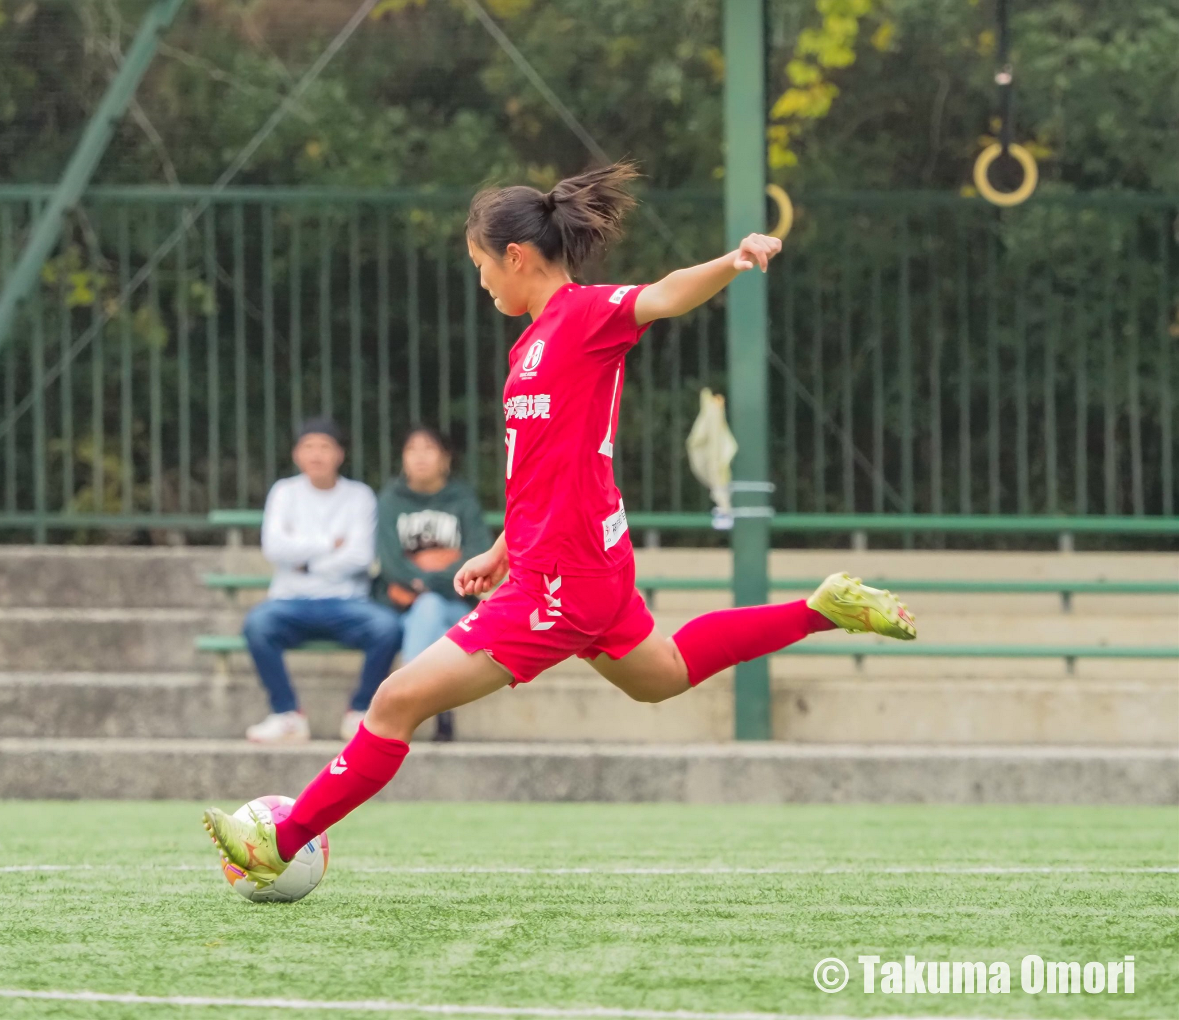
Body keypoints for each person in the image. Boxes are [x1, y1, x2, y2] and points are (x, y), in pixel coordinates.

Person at [206, 163, 916, 878]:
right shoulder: (529, 345)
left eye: (482, 266)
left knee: (392, 703)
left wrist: (733, 260)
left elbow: (663, 295)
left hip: (562, 580)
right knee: (661, 675)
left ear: (515, 257)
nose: (482, 282)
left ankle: (284, 839)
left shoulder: (583, 316)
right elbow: (543, 469)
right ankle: (821, 609)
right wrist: (504, 547)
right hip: (573, 563)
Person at [242, 417, 403, 744]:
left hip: (348, 603)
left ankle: (361, 712)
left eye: (325, 447)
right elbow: (274, 547)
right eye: (309, 447)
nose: (316, 455)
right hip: (289, 601)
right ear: (297, 454)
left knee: (387, 628)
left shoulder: (359, 496)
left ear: (339, 454)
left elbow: (360, 555)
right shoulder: (284, 492)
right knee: (257, 624)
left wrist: (304, 561)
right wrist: (331, 545)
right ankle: (286, 715)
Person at [375, 426, 492, 741]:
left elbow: (478, 554)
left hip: (455, 604)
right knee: (431, 618)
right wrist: (438, 574)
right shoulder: (391, 501)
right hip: (405, 606)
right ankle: (440, 711)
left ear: (446, 459)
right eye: (412, 449)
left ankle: (408, 702)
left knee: (432, 611)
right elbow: (389, 561)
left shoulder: (462, 499)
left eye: (429, 449)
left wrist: (428, 579)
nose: (420, 457)